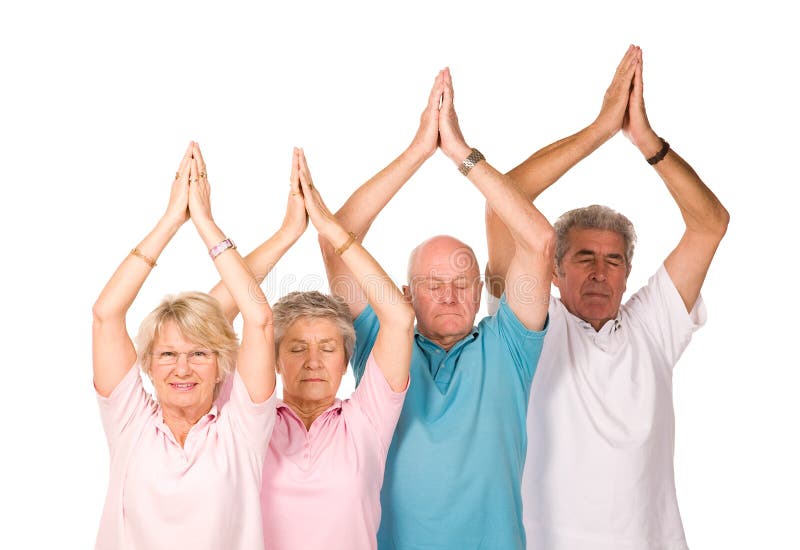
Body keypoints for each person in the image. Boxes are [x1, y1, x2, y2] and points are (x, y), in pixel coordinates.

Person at [485, 46, 730, 549]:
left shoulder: (652, 327)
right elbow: (502, 201)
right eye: (583, 258)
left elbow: (710, 225)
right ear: (553, 270)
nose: (600, 272)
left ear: (627, 273)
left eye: (613, 260)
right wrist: (600, 131)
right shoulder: (530, 327)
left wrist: (646, 142)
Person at [318, 69, 554, 549]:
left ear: (479, 289)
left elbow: (540, 240)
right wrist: (419, 150)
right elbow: (336, 235)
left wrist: (461, 155)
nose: (449, 296)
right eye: (433, 284)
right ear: (405, 295)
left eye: (462, 283)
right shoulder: (381, 346)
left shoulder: (507, 346)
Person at [209, 148, 415, 550]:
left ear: (345, 359)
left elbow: (400, 319)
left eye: (327, 347)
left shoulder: (367, 420)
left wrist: (330, 229)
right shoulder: (248, 418)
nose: (313, 361)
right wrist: (286, 234)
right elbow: (206, 320)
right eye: (298, 347)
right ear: (275, 359)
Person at [92, 142, 277, 550]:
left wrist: (206, 224)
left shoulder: (241, 431)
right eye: (168, 355)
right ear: (149, 364)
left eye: (199, 354)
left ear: (220, 365)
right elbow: (107, 313)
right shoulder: (130, 424)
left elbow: (259, 319)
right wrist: (172, 219)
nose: (182, 368)